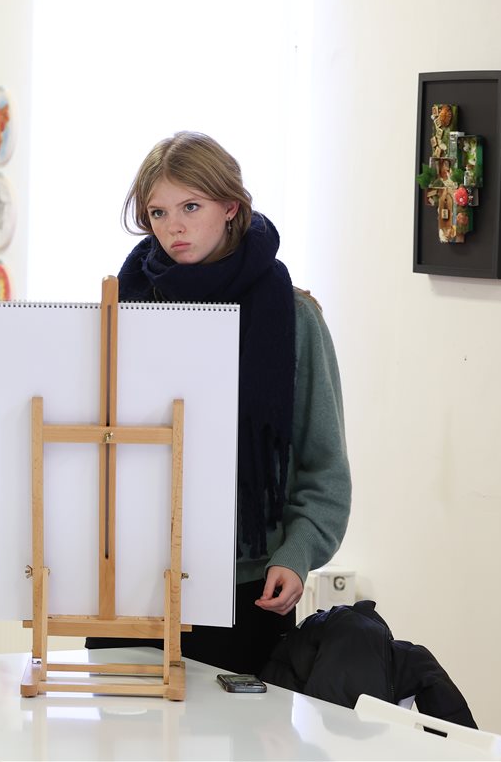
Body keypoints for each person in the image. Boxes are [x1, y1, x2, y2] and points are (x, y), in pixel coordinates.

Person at [87, 132, 352, 676]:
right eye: (158, 212)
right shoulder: (125, 308)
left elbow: (324, 466)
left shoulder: (293, 317)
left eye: (191, 207)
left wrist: (297, 554)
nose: (173, 228)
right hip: (131, 578)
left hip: (245, 588)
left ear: (230, 207)